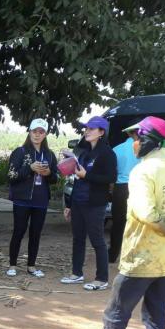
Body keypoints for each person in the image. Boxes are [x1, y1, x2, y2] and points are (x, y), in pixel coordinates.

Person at [58, 116, 165, 329]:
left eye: (136, 139)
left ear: (149, 141)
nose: (133, 144)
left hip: (142, 256)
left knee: (115, 314)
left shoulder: (143, 171)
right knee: (156, 317)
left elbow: (146, 213)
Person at [60, 115, 117, 290]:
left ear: (101, 132)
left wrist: (87, 175)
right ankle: (76, 274)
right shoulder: (84, 153)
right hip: (78, 201)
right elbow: (77, 180)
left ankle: (102, 279)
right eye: (86, 128)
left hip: (95, 203)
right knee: (78, 238)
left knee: (97, 240)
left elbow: (110, 178)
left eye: (91, 129)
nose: (87, 131)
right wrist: (69, 205)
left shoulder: (107, 153)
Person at [5, 118, 58, 277]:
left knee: (36, 233)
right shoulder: (20, 151)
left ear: (45, 134)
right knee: (19, 231)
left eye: (41, 132)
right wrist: (29, 168)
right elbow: (11, 176)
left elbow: (55, 179)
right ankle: (12, 265)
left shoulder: (50, 154)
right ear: (29, 132)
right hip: (22, 199)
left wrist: (48, 173)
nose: (37, 135)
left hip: (41, 200)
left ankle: (31, 266)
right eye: (34, 131)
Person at [109, 133, 141, 263]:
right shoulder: (144, 149)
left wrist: (112, 189)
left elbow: (112, 172)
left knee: (118, 223)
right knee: (136, 223)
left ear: (128, 133)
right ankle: (133, 256)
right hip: (138, 187)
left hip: (120, 188)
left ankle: (113, 255)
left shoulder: (117, 149)